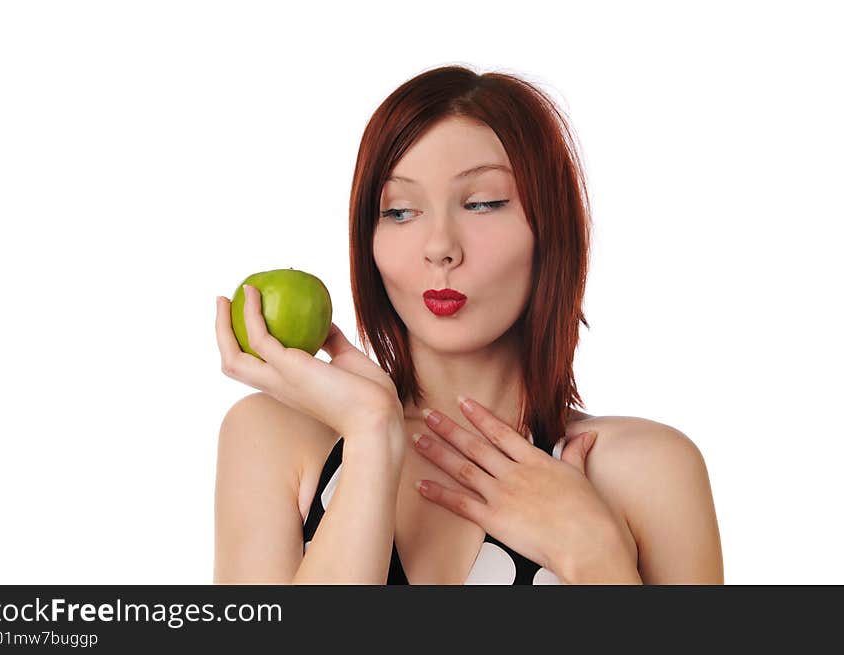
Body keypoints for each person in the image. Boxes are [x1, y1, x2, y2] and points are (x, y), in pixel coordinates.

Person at [213, 64, 724, 585]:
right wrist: (370, 438)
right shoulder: (275, 438)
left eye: (483, 203)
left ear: (550, 227)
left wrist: (595, 558)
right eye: (401, 211)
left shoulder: (649, 470)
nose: (440, 247)